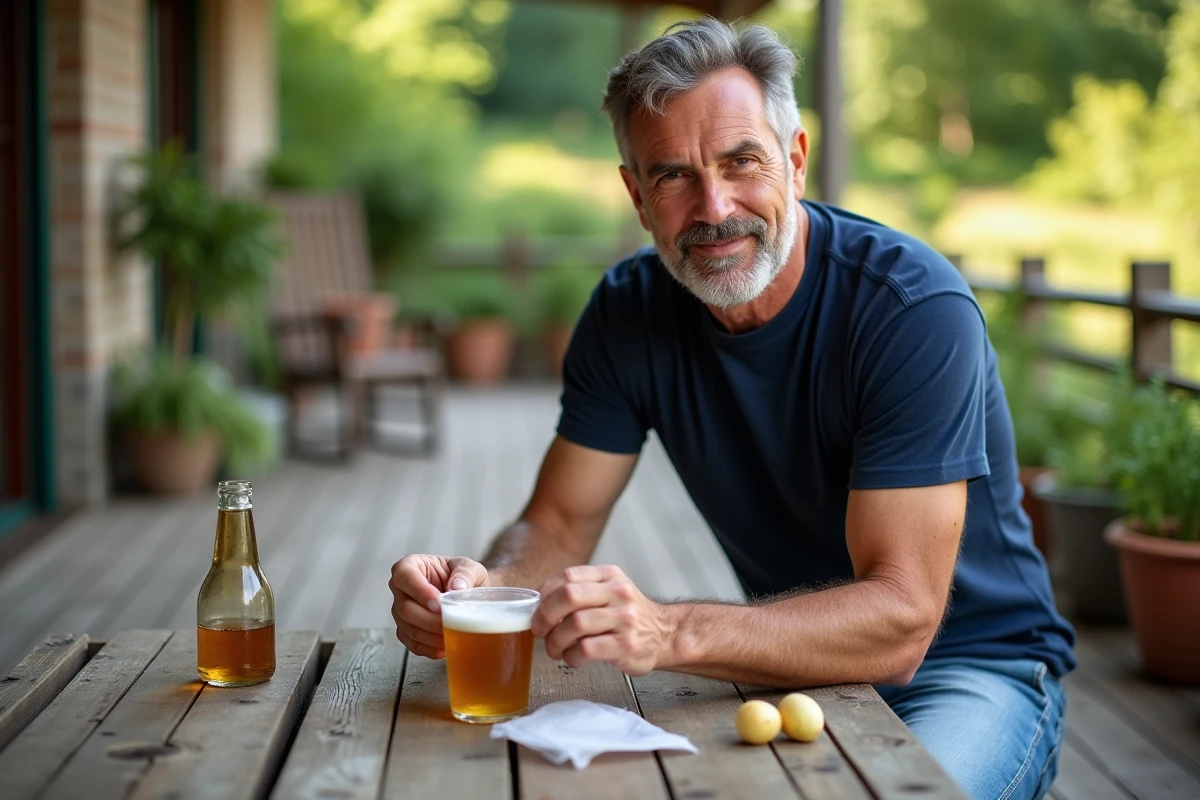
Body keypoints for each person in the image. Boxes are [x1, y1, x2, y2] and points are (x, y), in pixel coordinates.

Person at [389, 17, 1073, 800]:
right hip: (782, 670)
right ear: (636, 197)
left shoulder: (911, 309)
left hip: (970, 669)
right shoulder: (627, 313)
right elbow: (557, 524)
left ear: (796, 162)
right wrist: (489, 590)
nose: (714, 207)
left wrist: (667, 630)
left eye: (742, 161)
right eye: (674, 175)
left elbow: (903, 624)